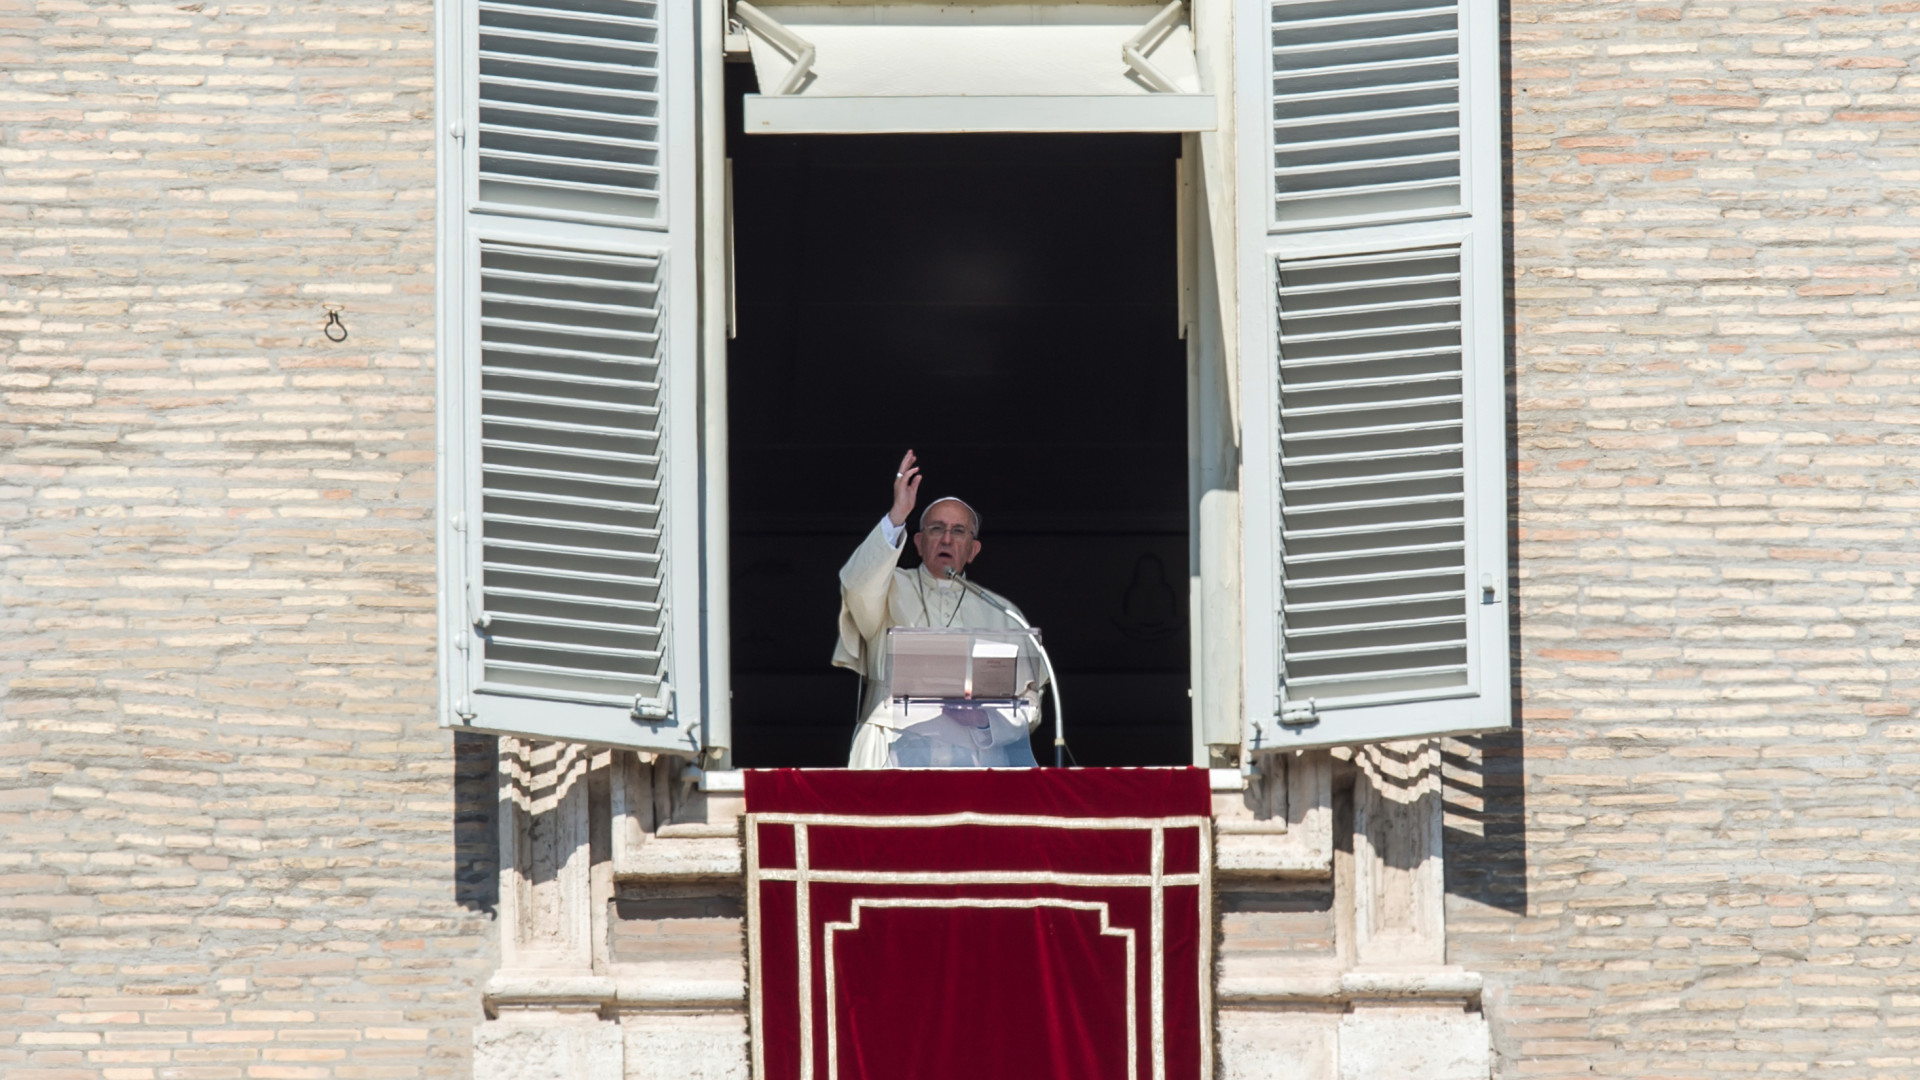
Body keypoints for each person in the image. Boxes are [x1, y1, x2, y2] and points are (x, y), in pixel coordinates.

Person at [833, 450, 1044, 768]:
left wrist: (985, 721)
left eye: (958, 531)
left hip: (975, 760)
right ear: (917, 542)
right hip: (892, 749)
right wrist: (897, 515)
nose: (947, 538)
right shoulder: (887, 588)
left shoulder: (1002, 613)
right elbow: (856, 586)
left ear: (973, 550)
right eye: (936, 529)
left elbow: (1029, 702)